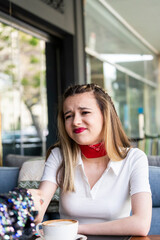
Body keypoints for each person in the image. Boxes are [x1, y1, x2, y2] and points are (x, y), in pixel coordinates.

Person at [30, 83, 152, 236]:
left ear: (105, 116)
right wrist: (32, 207)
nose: (75, 122)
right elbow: (39, 205)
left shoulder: (134, 159)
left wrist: (73, 229)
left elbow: (141, 225)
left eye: (85, 112)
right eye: (69, 116)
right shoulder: (59, 156)